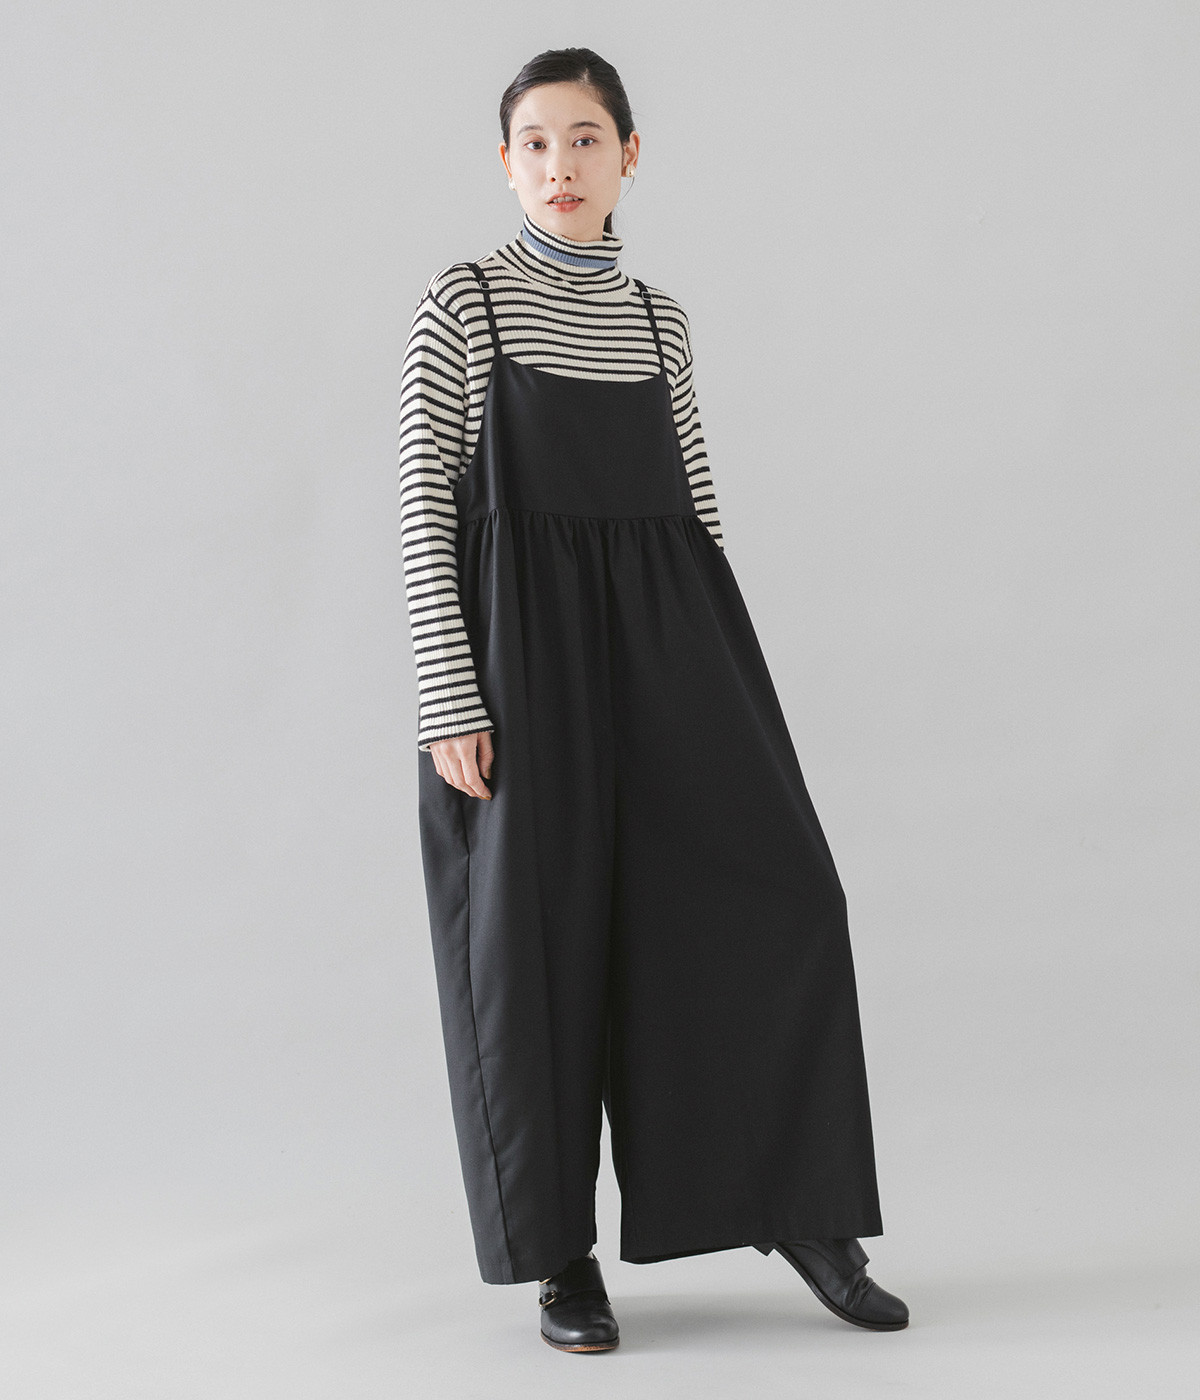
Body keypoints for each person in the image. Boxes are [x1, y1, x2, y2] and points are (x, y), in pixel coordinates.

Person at [398, 47, 909, 1353]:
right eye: (534, 143)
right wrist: (449, 695)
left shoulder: (659, 320)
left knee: (780, 898)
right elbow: (422, 504)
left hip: (674, 644)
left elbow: (697, 508)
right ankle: (562, 1258)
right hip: (523, 659)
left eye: (584, 138)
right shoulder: (467, 304)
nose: (559, 165)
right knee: (541, 945)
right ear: (504, 163)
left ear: (630, 154)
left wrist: (729, 687)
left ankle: (798, 1207)